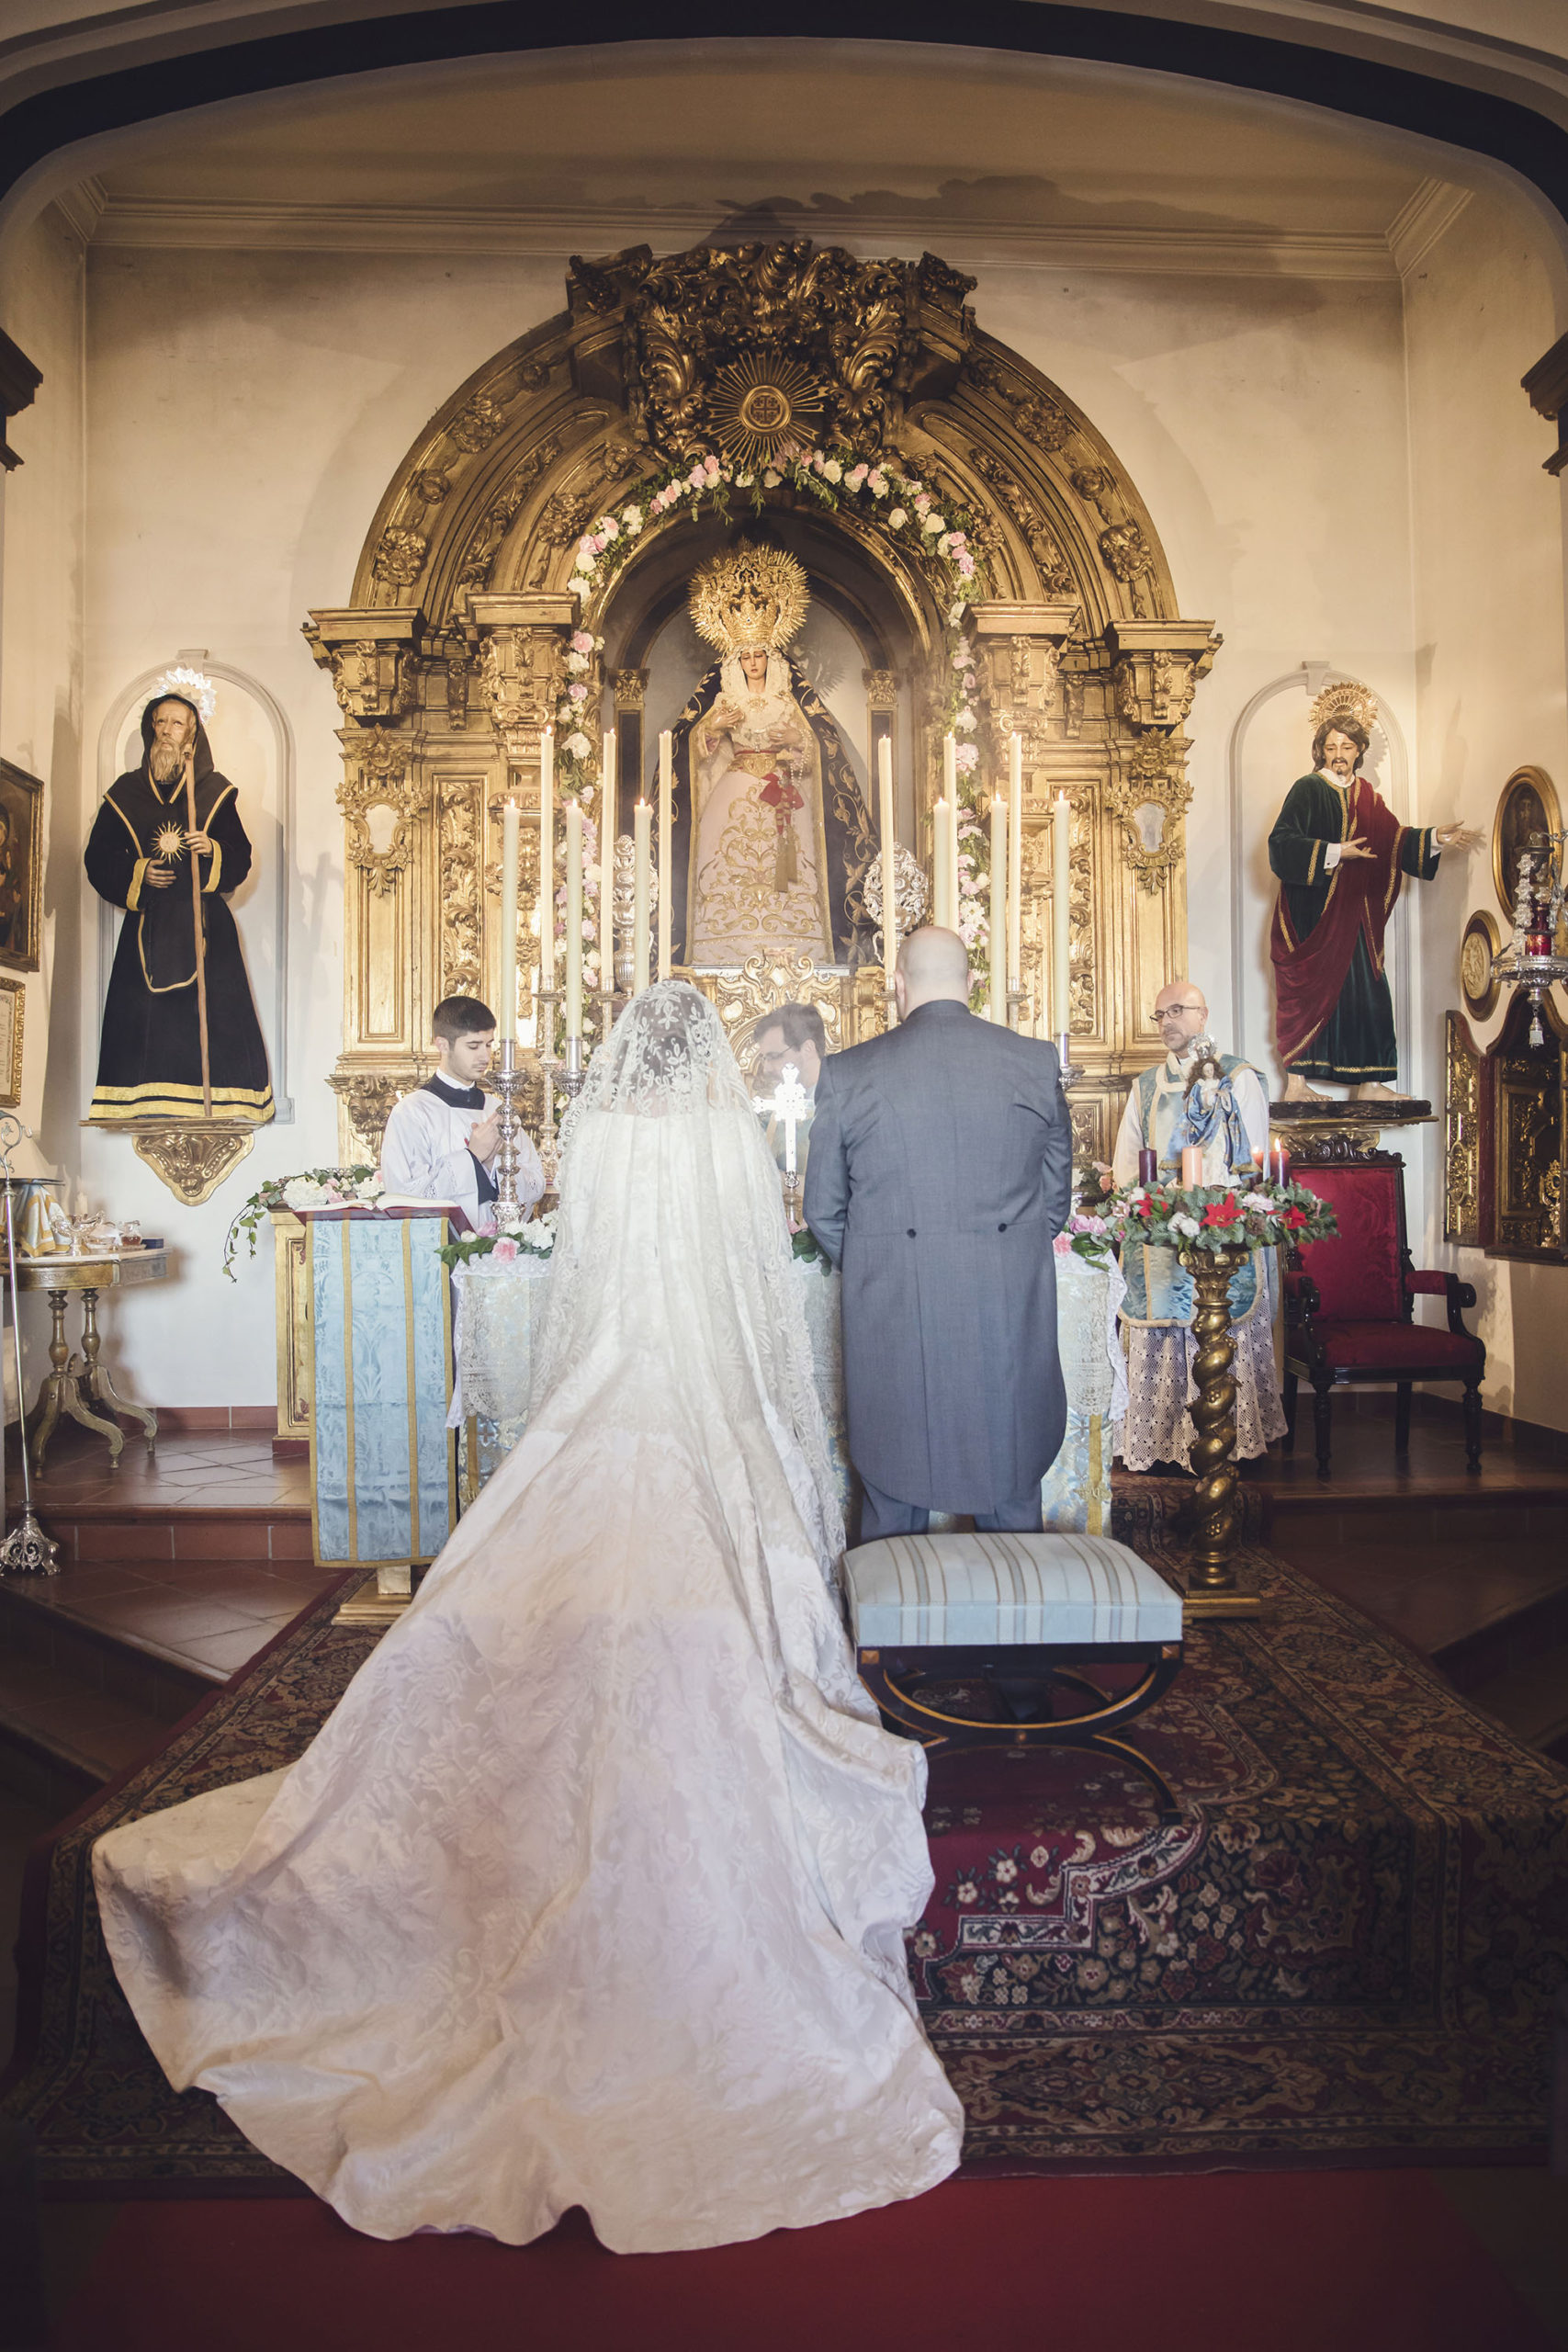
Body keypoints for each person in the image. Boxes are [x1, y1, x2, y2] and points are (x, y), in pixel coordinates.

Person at [93, 982, 963, 2251]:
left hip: (610, 1385)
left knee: (531, 1571)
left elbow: (574, 1260)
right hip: (705, 1400)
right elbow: (755, 1283)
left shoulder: (598, 1132)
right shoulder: (725, 1129)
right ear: (703, 1066)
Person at [804, 925, 1073, 1539]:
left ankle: (891, 1602)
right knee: (1011, 1489)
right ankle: (1020, 1598)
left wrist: (884, 1262)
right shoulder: (1035, 1062)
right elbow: (1053, 1200)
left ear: (897, 984)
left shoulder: (846, 1073)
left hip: (895, 1310)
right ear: (972, 983)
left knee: (892, 1498)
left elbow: (823, 1210)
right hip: (1005, 1309)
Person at [1104, 981, 1284, 1472]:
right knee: (1164, 1323)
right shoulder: (1145, 1086)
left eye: (1177, 1010)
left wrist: (1210, 1206)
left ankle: (1225, 1433)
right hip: (1159, 1238)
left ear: (1203, 1015)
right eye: (1160, 1014)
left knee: (1217, 1320)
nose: (1167, 1021)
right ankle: (1161, 1438)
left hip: (1219, 1230)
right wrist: (1142, 1204)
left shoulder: (1238, 1077)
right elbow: (1128, 1162)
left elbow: (1248, 1160)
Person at [1269, 684, 1480, 1102]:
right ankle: (1297, 1085)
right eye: (1331, 746)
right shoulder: (1307, 789)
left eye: (1347, 746)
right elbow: (1281, 844)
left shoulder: (1368, 797)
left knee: (1369, 995)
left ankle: (1370, 1084)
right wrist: (1335, 851)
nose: (1339, 754)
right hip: (1314, 916)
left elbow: (1394, 839)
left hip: (1357, 917)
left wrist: (1434, 838)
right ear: (1320, 750)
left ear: (1360, 750)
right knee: (1308, 993)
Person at [669, 541, 875, 966]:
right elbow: (694, 749)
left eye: (759, 654)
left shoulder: (788, 699)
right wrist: (713, 728)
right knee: (726, 862)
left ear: (770, 656)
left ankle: (795, 945)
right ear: (736, 661)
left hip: (782, 790)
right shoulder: (724, 698)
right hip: (736, 786)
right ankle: (725, 950)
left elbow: (816, 750)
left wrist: (797, 741)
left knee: (794, 866)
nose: (753, 662)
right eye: (745, 656)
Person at [85, 689, 273, 1124]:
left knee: (211, 1018)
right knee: (145, 1022)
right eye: (161, 722)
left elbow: (240, 857)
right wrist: (138, 872)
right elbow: (98, 858)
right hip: (147, 926)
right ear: (150, 728)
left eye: (177, 723)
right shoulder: (125, 793)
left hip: (205, 926)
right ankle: (144, 1097)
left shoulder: (213, 791)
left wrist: (211, 848)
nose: (167, 731)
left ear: (192, 735)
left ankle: (220, 1098)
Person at [378, 995, 542, 1229]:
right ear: (443, 1045)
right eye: (473, 1046)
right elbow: (403, 1199)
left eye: (489, 1044)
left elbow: (535, 1184)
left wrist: (493, 1166)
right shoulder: (412, 1113)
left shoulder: (499, 1111)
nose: (485, 1056)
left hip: (501, 1246)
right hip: (441, 1249)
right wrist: (473, 1158)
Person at [752, 1000, 828, 1182]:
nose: (766, 1069)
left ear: (807, 1049)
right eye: (764, 1059)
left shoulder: (848, 1105)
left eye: (774, 1057)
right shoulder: (770, 1114)